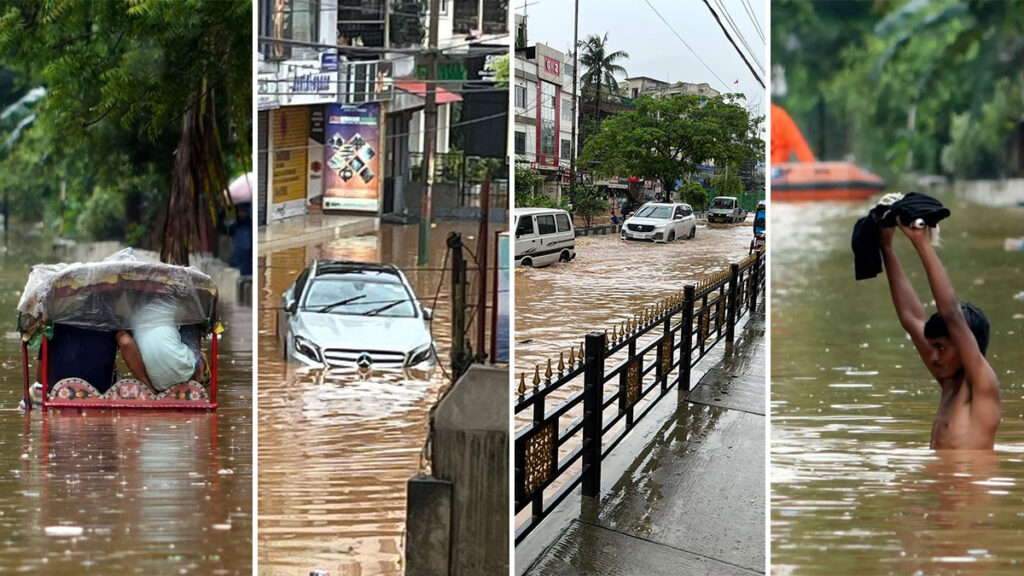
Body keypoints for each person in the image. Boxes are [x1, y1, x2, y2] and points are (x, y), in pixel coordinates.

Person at [881, 222, 1000, 449]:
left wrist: (921, 242)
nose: (933, 357)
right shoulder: (948, 383)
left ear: (966, 347)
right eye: (933, 347)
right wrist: (886, 246)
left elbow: (951, 313)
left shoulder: (981, 386)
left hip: (967, 485)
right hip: (943, 483)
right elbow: (911, 319)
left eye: (942, 348)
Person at [116, 299, 204, 393]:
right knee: (194, 323)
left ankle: (148, 388)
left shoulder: (132, 315)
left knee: (128, 339)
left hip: (156, 383)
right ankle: (198, 373)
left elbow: (125, 341)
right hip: (185, 372)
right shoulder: (172, 300)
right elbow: (192, 314)